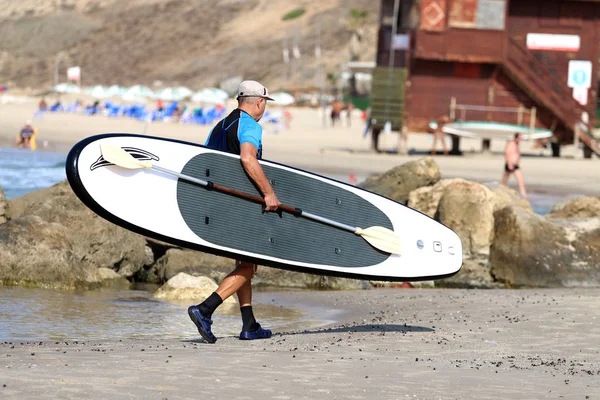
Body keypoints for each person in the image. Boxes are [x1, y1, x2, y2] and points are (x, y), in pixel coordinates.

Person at [188, 80, 280, 343]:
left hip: (216, 204)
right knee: (250, 266)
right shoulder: (250, 125)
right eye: (265, 103)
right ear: (259, 102)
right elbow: (248, 158)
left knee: (244, 263)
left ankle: (249, 324)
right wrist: (268, 192)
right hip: (237, 206)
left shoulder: (219, 126)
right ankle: (204, 310)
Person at [501, 132, 527, 198]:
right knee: (504, 181)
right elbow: (507, 153)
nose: (521, 139)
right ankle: (499, 191)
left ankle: (524, 195)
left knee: (520, 180)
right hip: (510, 165)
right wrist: (509, 164)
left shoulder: (516, 144)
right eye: (520, 138)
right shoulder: (511, 144)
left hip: (515, 165)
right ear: (516, 138)